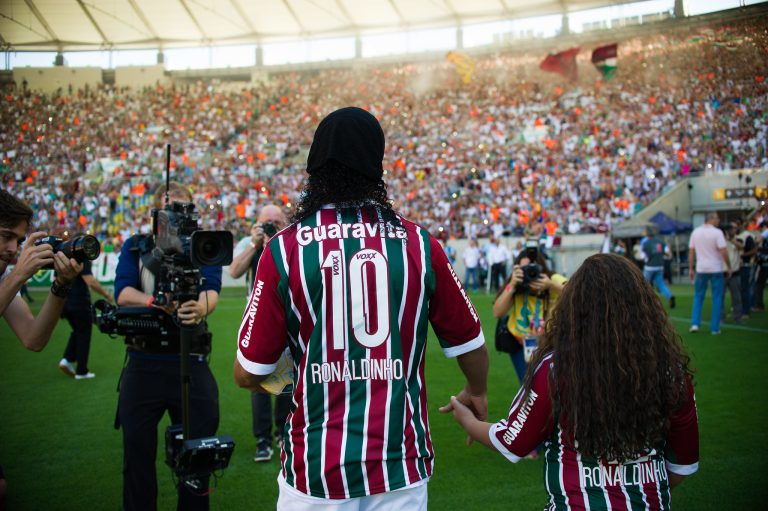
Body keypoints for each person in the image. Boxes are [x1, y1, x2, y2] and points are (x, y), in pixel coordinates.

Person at [234, 107, 489, 510]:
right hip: (398, 467)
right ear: (377, 168)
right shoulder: (419, 245)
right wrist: (477, 390)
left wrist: (290, 368)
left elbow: (249, 373)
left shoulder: (282, 250)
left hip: (315, 468)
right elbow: (470, 342)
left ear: (314, 168)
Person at [442, 254, 699, 510]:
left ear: (575, 306)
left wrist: (467, 419)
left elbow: (513, 441)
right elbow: (681, 467)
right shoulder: (672, 372)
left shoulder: (557, 368)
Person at [113, 183, 223, 511]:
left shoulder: (205, 245)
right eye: (171, 209)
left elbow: (212, 290)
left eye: (184, 209)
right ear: (155, 215)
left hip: (190, 359)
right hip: (143, 360)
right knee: (137, 457)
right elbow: (122, 292)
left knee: (197, 457)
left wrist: (199, 308)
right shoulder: (136, 247)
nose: (177, 217)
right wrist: (156, 302)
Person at [229, 205, 291, 462]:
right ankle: (263, 438)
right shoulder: (249, 242)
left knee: (287, 380)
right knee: (257, 378)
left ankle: (282, 432)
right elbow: (234, 271)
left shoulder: (290, 240)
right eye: (267, 222)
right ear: (256, 224)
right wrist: (256, 245)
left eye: (277, 222)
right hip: (257, 318)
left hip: (287, 317)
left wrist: (277, 240)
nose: (271, 226)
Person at [0, 189, 82, 350]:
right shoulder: (10, 278)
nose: (13, 248)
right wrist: (18, 274)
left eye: (18, 241)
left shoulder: (3, 277)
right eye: (6, 236)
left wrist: (62, 284)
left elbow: (33, 339)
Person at [492, 247, 566, 384]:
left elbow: (576, 293)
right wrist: (513, 285)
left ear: (540, 266)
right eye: (523, 269)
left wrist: (551, 285)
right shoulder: (517, 284)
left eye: (532, 268)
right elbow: (497, 312)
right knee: (527, 387)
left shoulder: (551, 278)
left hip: (548, 344)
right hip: (520, 344)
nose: (528, 272)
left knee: (550, 386)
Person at [58, 248, 114, 379]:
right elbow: (91, 281)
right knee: (84, 334)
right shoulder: (82, 258)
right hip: (79, 303)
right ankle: (81, 371)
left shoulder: (65, 258)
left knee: (77, 331)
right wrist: (106, 294)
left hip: (66, 302)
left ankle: (67, 359)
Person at [688, 212, 731, 334]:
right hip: (716, 268)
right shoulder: (717, 233)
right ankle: (715, 328)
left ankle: (695, 324)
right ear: (710, 219)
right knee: (717, 298)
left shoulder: (695, 232)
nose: (718, 220)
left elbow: (691, 252)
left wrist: (691, 268)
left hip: (701, 268)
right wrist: (728, 266)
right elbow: (723, 251)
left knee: (698, 296)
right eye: (717, 218)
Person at [641, 228, 676, 309]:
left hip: (649, 267)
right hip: (660, 266)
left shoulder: (646, 244)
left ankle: (646, 302)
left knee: (644, 284)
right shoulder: (661, 242)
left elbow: (643, 256)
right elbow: (667, 253)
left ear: (647, 235)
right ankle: (669, 296)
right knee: (661, 284)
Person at [722, 223, 743, 323]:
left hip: (735, 272)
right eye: (732, 228)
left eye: (734, 228)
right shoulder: (720, 241)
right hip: (722, 272)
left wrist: (730, 240)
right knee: (720, 297)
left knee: (737, 297)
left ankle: (737, 317)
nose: (734, 230)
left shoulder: (737, 239)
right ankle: (721, 318)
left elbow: (741, 246)